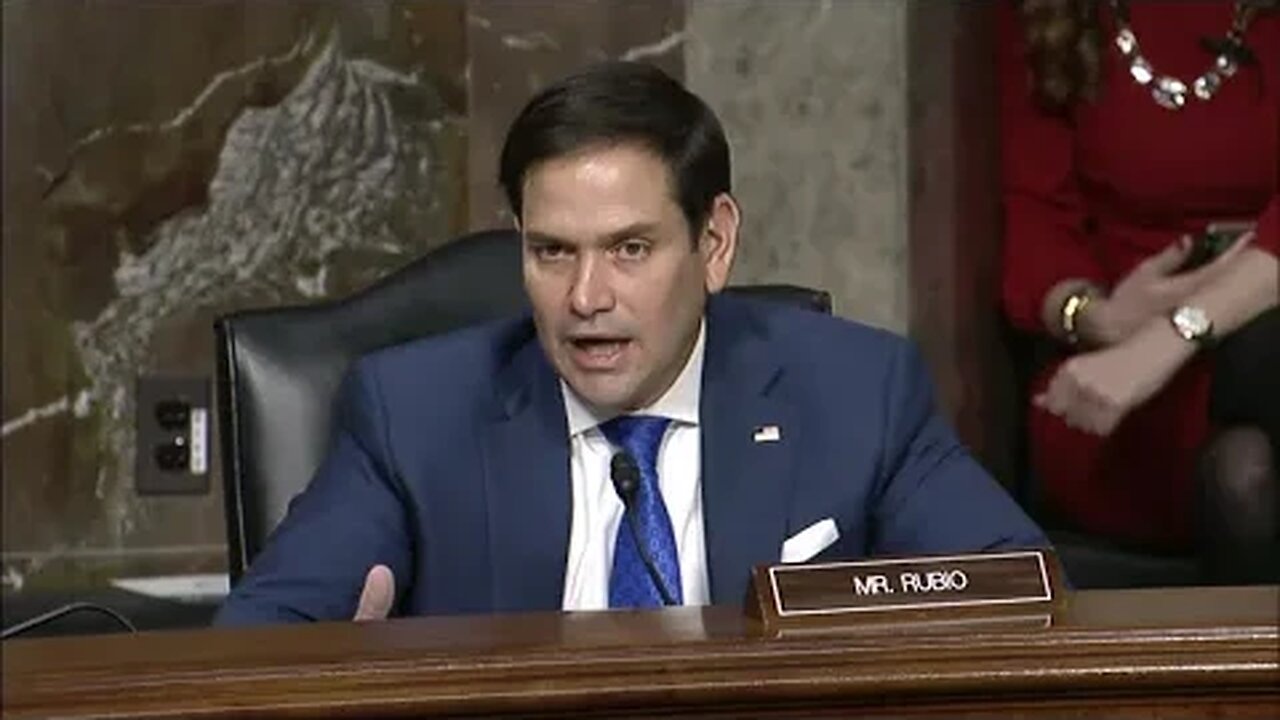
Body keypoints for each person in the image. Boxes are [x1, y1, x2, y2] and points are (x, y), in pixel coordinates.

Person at [216, 61, 1046, 625]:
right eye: (551, 252)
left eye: (630, 249)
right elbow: (257, 642)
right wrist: (343, 668)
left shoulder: (856, 392)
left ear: (714, 244)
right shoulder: (414, 414)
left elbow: (1024, 600)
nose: (586, 298)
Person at [999, 0, 1279, 582]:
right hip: (1119, 380)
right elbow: (1037, 213)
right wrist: (1094, 316)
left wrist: (1174, 334)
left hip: (1252, 335)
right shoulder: (1050, 16)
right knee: (1242, 469)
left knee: (1246, 458)